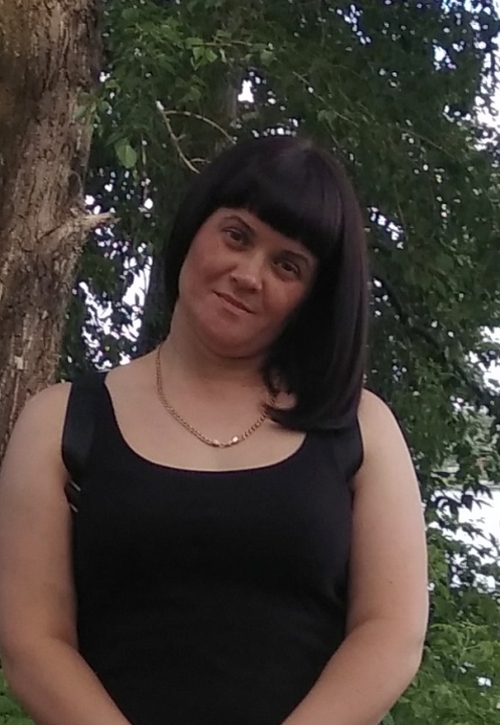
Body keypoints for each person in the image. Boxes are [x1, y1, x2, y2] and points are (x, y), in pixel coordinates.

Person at [0, 134, 428, 725]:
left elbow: (391, 633)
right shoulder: (59, 422)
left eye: (287, 265)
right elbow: (32, 644)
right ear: (195, 228)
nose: (249, 275)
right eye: (237, 235)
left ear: (313, 297)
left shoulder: (360, 427)